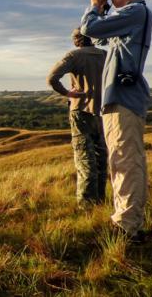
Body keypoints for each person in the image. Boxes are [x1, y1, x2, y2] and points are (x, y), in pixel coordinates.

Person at [80, 0, 152, 242]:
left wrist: (96, 7)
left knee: (125, 160)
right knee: (122, 159)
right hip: (120, 97)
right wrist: (104, 8)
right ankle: (125, 220)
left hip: (124, 97)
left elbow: (89, 29)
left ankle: (127, 226)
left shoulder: (136, 11)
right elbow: (99, 39)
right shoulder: (130, 17)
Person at [47, 28, 108, 208]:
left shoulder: (74, 56)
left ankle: (86, 206)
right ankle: (100, 202)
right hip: (102, 111)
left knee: (84, 159)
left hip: (80, 111)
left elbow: (52, 78)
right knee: (100, 159)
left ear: (76, 40)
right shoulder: (105, 55)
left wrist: (68, 93)